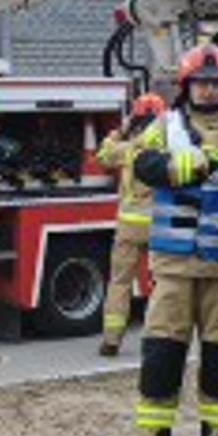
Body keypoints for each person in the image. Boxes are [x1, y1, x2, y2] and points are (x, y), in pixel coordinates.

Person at [127, 42, 218, 436]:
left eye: (216, 83)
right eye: (200, 83)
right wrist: (180, 166)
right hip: (175, 268)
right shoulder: (165, 127)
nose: (207, 91)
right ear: (186, 87)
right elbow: (139, 163)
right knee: (161, 357)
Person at [95, 93, 166, 356]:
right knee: (162, 283)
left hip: (128, 226)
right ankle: (155, 339)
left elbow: (102, 155)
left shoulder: (128, 149)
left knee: (120, 282)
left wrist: (119, 130)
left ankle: (112, 339)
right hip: (159, 225)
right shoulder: (167, 148)